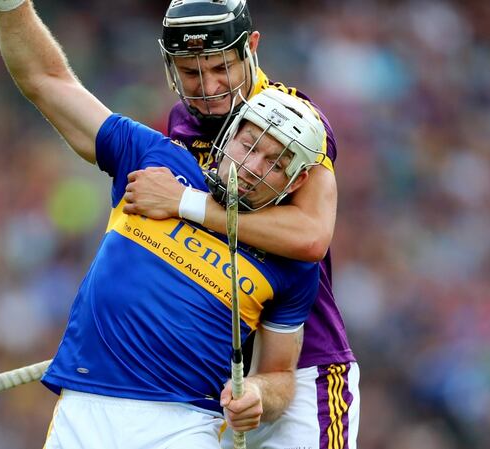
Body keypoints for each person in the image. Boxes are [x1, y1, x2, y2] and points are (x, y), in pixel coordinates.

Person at [0, 1, 328, 447]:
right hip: (84, 407)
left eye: (276, 162)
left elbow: (280, 374)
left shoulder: (290, 261)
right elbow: (46, 80)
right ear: (229, 134)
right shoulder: (155, 159)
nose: (252, 165)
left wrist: (260, 395)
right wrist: (7, 4)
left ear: (298, 180)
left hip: (183, 425)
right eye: (249, 144)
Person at [122, 1, 360, 448]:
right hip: (205, 376)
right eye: (191, 73)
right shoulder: (175, 127)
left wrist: (186, 203)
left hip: (303, 367)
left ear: (251, 48)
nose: (209, 88)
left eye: (220, 68)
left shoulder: (294, 119)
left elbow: (310, 236)